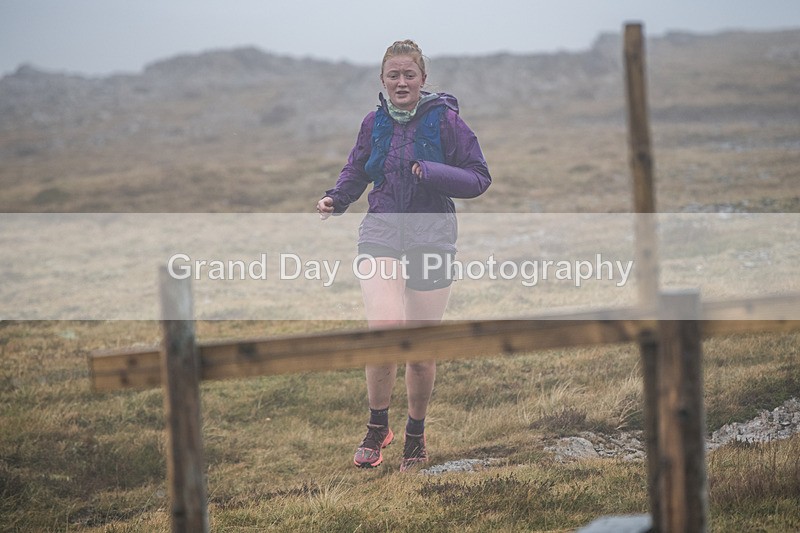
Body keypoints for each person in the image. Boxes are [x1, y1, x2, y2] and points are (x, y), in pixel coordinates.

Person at [316, 39, 491, 472]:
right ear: (382, 79)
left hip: (433, 237)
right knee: (384, 332)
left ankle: (415, 434)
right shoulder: (373, 122)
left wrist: (432, 172)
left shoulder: (447, 121)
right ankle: (378, 427)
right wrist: (337, 198)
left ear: (422, 79)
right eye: (393, 75)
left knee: (420, 349)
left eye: (408, 74)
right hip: (381, 232)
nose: (401, 82)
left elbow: (478, 178)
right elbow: (358, 168)